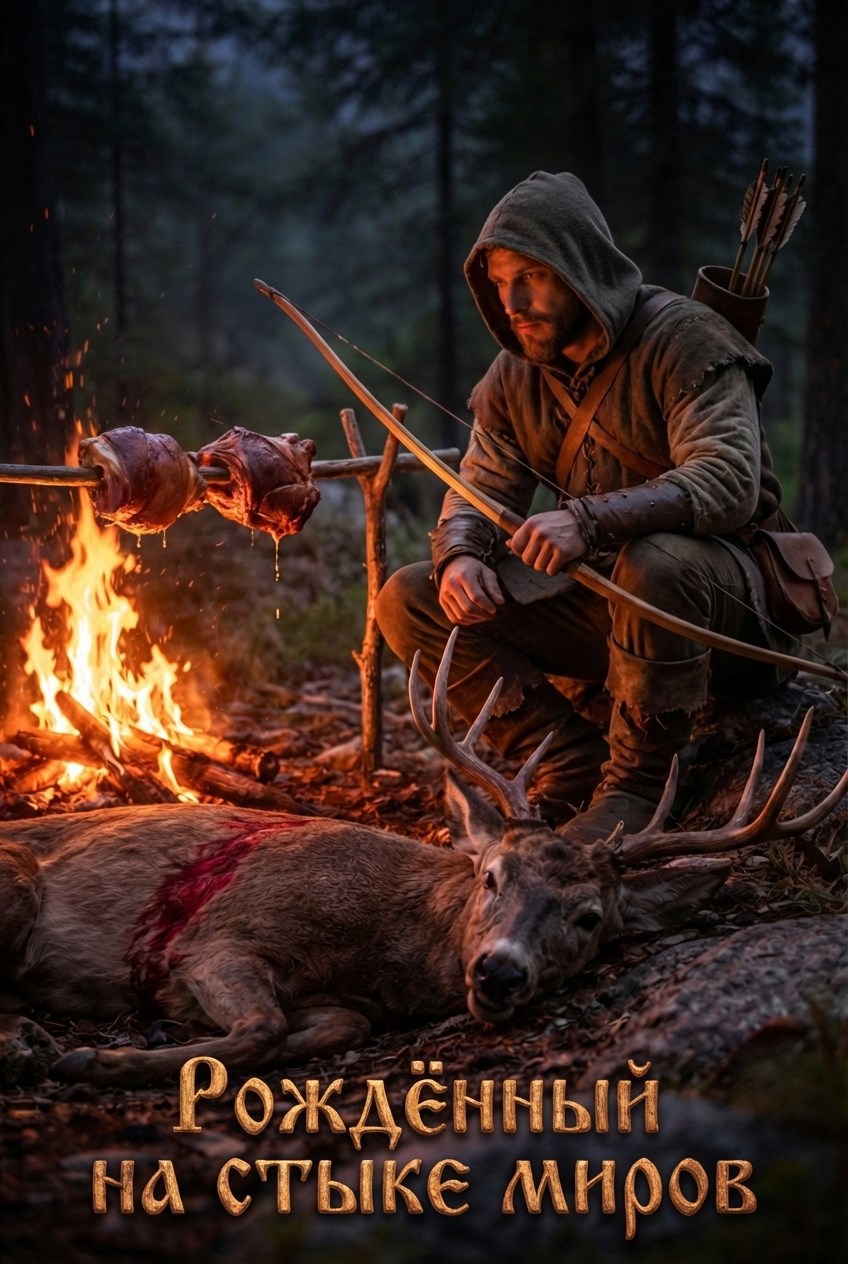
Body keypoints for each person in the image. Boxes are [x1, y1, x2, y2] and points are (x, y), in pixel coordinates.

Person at [376, 171, 792, 841]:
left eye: (532, 276)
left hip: (728, 607)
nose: (512, 300)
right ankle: (568, 760)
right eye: (499, 280)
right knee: (409, 598)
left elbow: (729, 480)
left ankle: (639, 786)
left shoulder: (689, 339)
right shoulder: (515, 375)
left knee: (655, 562)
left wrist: (588, 519)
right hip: (609, 601)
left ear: (581, 265)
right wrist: (458, 555)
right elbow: (478, 490)